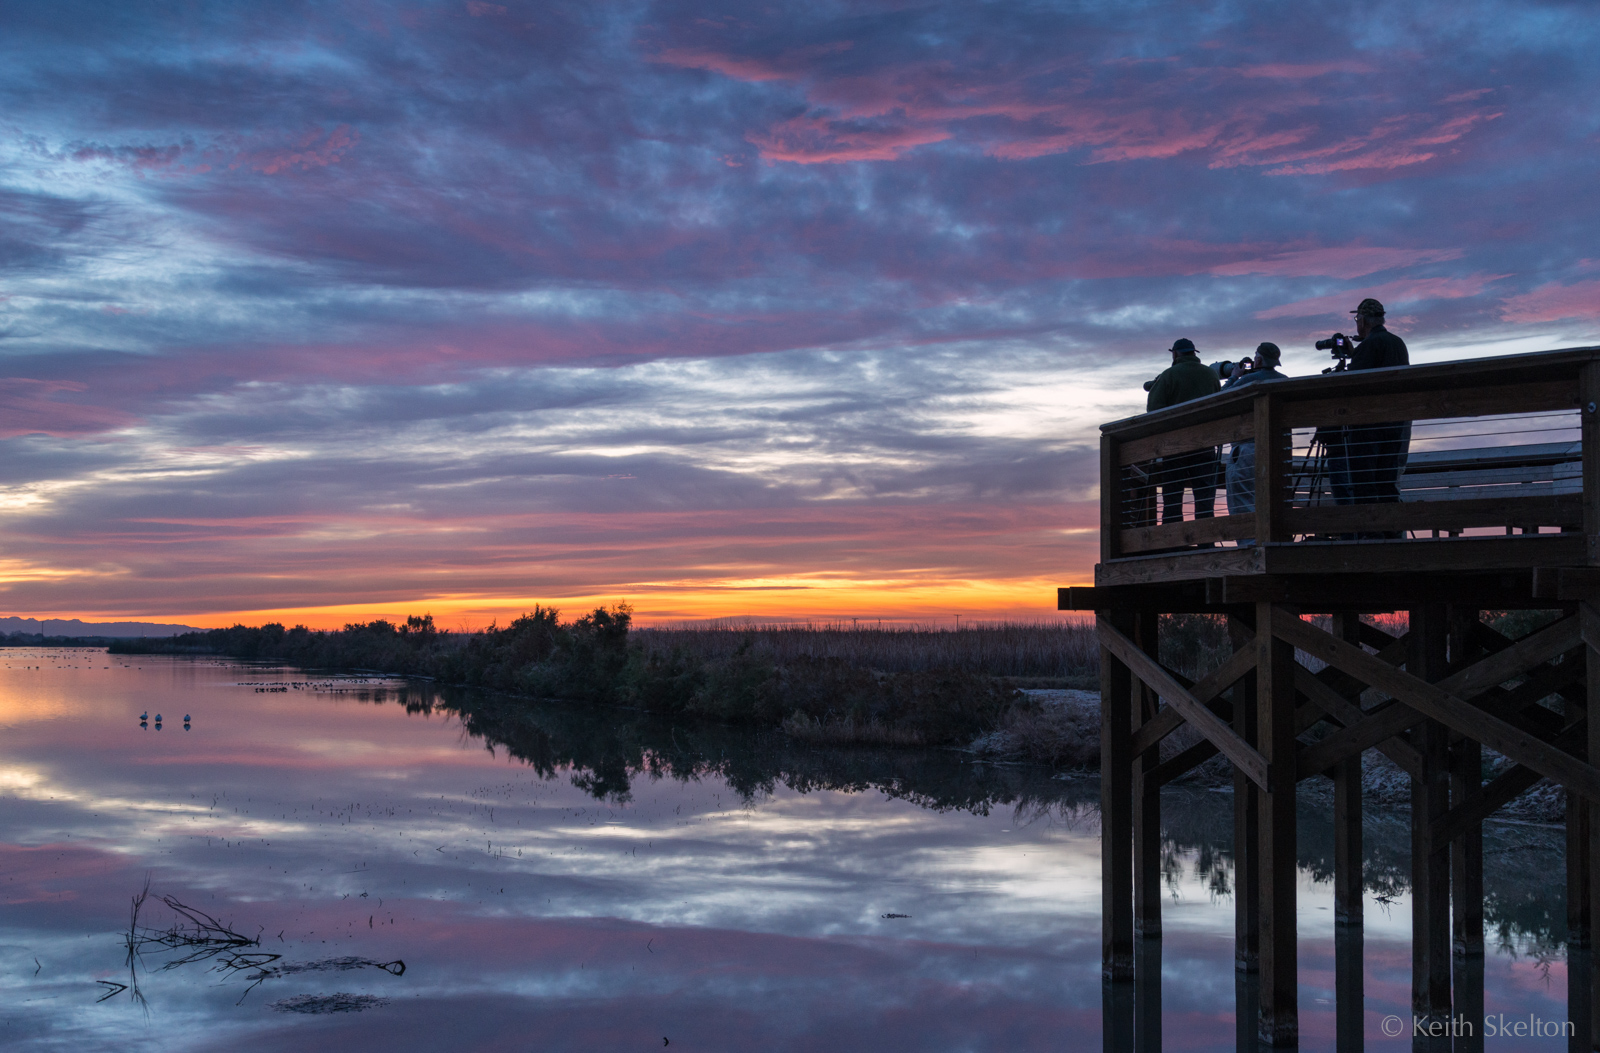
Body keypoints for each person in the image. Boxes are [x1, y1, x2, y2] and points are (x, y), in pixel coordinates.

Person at [1145, 338, 1221, 526]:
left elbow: (1153, 410)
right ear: (1194, 353)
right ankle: (1207, 541)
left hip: (1174, 446)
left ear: (1175, 353)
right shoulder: (1211, 375)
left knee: (1172, 495)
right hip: (1205, 444)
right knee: (1204, 495)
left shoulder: (1168, 375)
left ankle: (1172, 544)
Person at [1342, 297, 1410, 507]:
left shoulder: (1369, 346)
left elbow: (1353, 383)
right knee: (1387, 479)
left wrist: (1355, 357)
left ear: (1362, 320)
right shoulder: (1397, 343)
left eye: (1357, 319)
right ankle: (1390, 532)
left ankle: (1370, 532)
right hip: (1395, 422)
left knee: (1365, 479)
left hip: (1369, 426)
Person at [1222, 343, 1288, 542]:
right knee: (1274, 500)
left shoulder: (1249, 380)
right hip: (1279, 450)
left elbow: (1220, 398)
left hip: (1247, 450)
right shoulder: (1284, 381)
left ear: (1258, 360)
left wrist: (1234, 376)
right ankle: (1276, 543)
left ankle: (1250, 548)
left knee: (1242, 503)